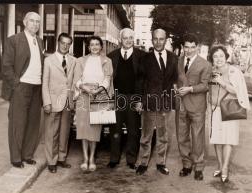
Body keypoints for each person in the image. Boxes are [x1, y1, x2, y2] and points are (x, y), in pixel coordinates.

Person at [1, 12, 44, 168]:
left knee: (33, 123)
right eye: (32, 21)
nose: (35, 24)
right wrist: (16, 84)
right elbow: (6, 66)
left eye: (38, 22)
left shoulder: (39, 41)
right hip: (22, 86)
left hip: (36, 87)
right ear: (25, 22)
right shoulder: (14, 40)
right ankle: (16, 158)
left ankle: (27, 155)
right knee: (18, 123)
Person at [135, 28, 178, 175]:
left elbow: (175, 80)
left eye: (161, 39)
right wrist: (140, 100)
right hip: (149, 102)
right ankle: (143, 162)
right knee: (146, 135)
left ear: (166, 40)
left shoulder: (173, 58)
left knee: (163, 135)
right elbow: (140, 81)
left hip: (166, 103)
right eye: (155, 39)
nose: (158, 42)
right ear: (151, 39)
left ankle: (160, 163)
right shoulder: (144, 59)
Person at [208, 45, 250, 183]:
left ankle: (225, 168)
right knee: (217, 139)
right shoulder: (211, 70)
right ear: (212, 59)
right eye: (215, 56)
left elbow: (239, 91)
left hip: (229, 108)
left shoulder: (234, 71)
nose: (218, 59)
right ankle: (220, 166)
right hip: (214, 109)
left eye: (221, 56)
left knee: (228, 139)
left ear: (226, 57)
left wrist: (222, 82)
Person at [72, 36, 114, 171]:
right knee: (83, 128)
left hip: (99, 96)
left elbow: (107, 79)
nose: (95, 47)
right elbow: (76, 79)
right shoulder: (80, 61)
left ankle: (92, 159)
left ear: (101, 47)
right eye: (92, 44)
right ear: (88, 47)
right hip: (83, 96)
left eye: (97, 44)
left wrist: (98, 90)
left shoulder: (107, 61)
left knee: (95, 129)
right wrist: (84, 88)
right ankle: (85, 159)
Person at [107, 28, 146, 169]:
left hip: (134, 98)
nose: (128, 40)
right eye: (125, 38)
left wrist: (141, 100)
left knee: (133, 130)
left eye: (131, 38)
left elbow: (144, 80)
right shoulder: (111, 56)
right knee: (115, 129)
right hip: (116, 98)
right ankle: (114, 158)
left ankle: (131, 159)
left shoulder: (142, 56)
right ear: (120, 39)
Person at [175, 33, 212, 180]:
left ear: (197, 47)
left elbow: (205, 85)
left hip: (197, 106)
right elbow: (175, 79)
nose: (188, 50)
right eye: (186, 47)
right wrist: (175, 87)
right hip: (181, 105)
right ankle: (186, 165)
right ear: (183, 47)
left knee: (197, 137)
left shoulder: (205, 64)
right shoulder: (178, 61)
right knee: (182, 137)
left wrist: (190, 89)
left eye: (192, 47)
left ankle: (198, 167)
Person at [42, 33, 76, 173]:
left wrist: (73, 98)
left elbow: (74, 81)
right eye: (63, 42)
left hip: (68, 101)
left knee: (64, 132)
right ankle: (51, 161)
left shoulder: (73, 60)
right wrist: (46, 102)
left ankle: (61, 158)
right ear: (58, 42)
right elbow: (45, 83)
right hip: (53, 101)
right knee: (52, 133)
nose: (65, 46)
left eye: (68, 43)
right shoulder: (49, 60)